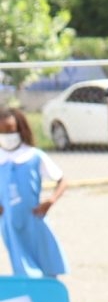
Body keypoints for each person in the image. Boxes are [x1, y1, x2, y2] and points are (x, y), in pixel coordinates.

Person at [0, 109, 65, 279]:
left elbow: (62, 180)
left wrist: (50, 201)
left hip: (34, 218)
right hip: (10, 222)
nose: (7, 135)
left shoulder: (33, 156)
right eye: (3, 131)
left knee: (45, 261)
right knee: (22, 266)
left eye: (11, 130)